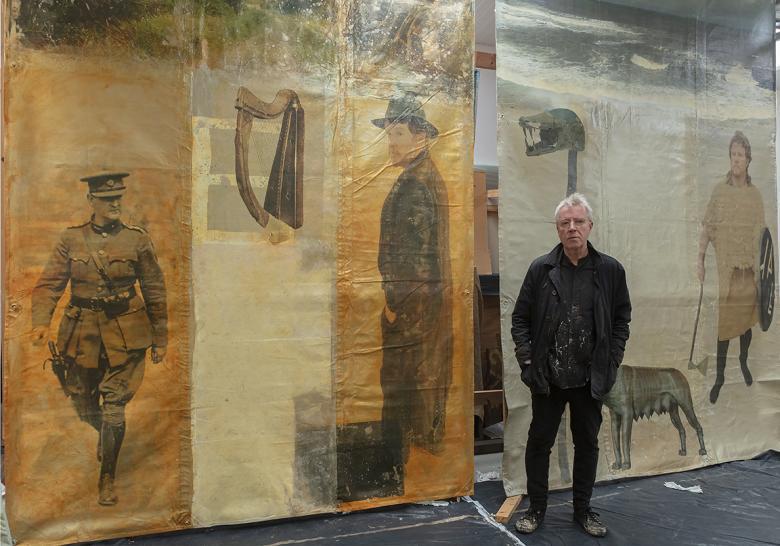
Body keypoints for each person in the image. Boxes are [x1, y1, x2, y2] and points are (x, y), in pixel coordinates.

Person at [31, 172, 167, 506]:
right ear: (91, 201)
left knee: (114, 406)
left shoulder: (137, 240)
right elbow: (50, 283)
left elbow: (154, 289)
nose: (115, 203)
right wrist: (40, 321)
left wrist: (160, 336)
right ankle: (105, 437)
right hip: (81, 333)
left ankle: (107, 476)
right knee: (81, 400)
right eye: (107, 200)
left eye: (119, 197)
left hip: (127, 332)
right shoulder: (71, 239)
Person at [511, 193, 631, 537]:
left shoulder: (610, 270)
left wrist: (613, 357)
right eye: (565, 223)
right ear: (557, 229)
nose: (572, 228)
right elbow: (520, 318)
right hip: (547, 377)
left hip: (589, 377)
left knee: (588, 445)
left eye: (578, 221)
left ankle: (583, 510)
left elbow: (622, 318)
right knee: (539, 443)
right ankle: (535, 510)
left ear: (590, 226)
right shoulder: (541, 269)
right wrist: (529, 358)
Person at [373, 93, 453, 466]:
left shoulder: (416, 184)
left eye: (398, 133)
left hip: (413, 313)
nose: (391, 141)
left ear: (419, 136)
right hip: (416, 311)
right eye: (389, 133)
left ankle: (405, 464)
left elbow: (420, 262)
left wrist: (399, 310)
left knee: (406, 390)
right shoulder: (418, 176)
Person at [698, 131, 766, 404]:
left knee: (746, 323)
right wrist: (699, 259)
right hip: (728, 272)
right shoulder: (720, 191)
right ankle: (720, 377)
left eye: (741, 155)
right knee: (725, 327)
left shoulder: (755, 196)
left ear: (748, 159)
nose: (736, 159)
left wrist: (764, 274)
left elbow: (764, 236)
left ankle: (744, 361)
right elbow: (707, 227)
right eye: (733, 154)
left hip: (749, 272)